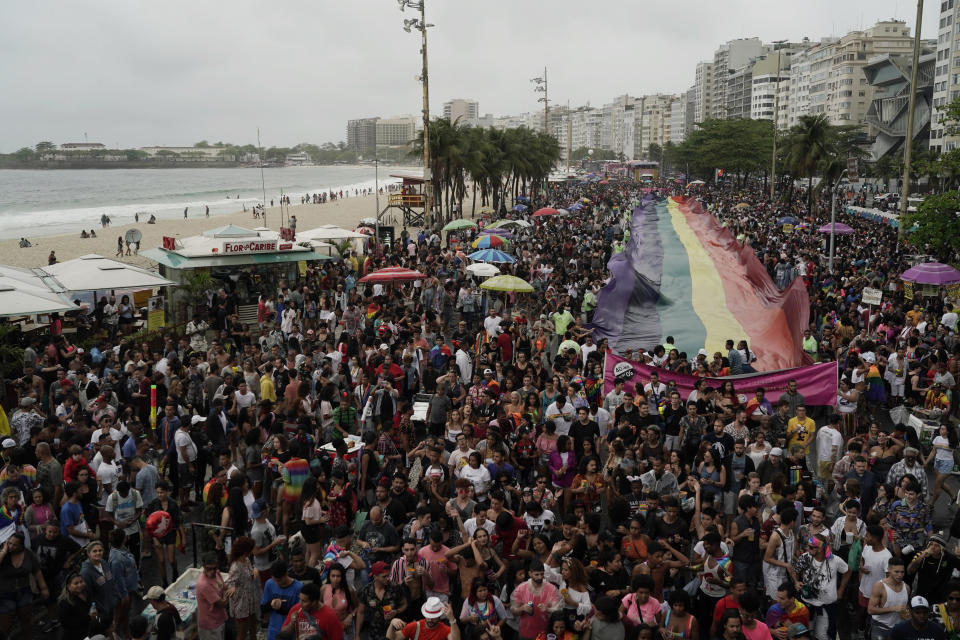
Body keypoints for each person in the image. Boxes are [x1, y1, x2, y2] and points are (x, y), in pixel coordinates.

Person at [869, 557, 911, 640]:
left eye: (902, 572)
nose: (900, 575)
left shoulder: (906, 587)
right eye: (896, 572)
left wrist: (907, 614)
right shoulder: (880, 586)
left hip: (898, 628)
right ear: (889, 570)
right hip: (880, 628)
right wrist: (893, 609)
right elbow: (870, 610)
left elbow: (905, 608)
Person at [262, 559, 303, 640]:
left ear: (286, 573)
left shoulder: (298, 587)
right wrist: (271, 603)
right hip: (273, 630)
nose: (277, 583)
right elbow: (263, 608)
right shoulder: (269, 584)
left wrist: (280, 607)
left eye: (279, 580)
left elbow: (298, 614)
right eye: (275, 580)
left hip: (291, 631)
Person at [196, 551, 232, 640]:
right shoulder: (204, 585)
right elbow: (222, 603)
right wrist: (228, 593)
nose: (212, 571)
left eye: (214, 568)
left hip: (219, 619)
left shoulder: (217, 573)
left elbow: (224, 587)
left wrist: (227, 591)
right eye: (209, 568)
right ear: (203, 566)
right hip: (210, 624)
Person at [388, 597, 460, 640]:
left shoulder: (444, 629)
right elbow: (392, 638)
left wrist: (452, 619)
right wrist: (392, 623)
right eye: (428, 616)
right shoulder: (415, 626)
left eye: (433, 617)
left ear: (439, 616)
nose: (430, 620)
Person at [57, 572, 92, 640]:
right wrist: (88, 617)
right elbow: (66, 623)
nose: (80, 585)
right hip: (74, 636)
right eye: (76, 583)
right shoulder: (64, 602)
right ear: (68, 586)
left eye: (81, 581)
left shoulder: (86, 592)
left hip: (86, 632)